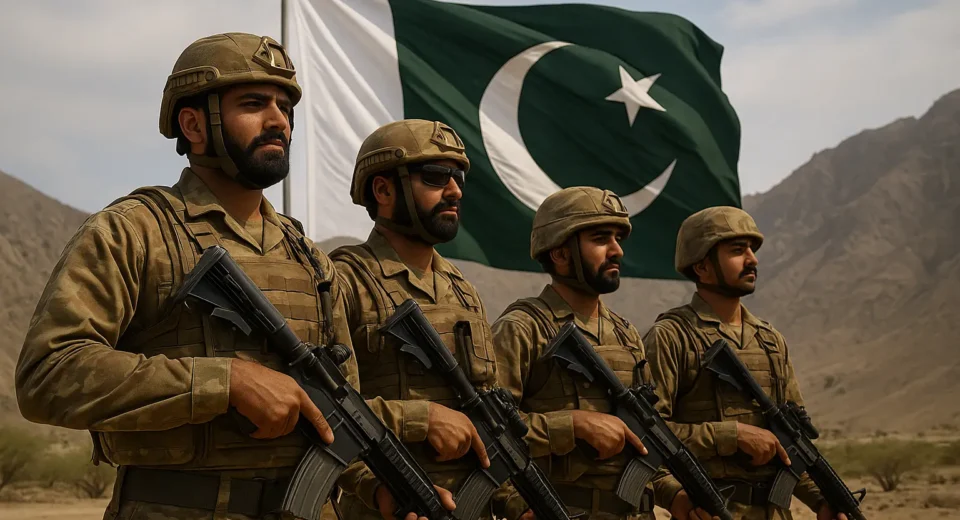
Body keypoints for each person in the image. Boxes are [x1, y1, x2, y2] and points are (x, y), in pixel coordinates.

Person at [15, 33, 451, 520]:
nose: (278, 121)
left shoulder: (310, 259)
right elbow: (48, 375)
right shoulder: (133, 231)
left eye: (285, 107)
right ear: (194, 124)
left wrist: (376, 487)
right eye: (253, 103)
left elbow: (336, 412)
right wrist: (225, 383)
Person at [492, 187, 712, 520]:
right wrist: (572, 426)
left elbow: (644, 446)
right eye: (600, 239)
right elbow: (491, 434)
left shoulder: (626, 335)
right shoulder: (522, 329)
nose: (617, 251)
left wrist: (675, 496)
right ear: (560, 254)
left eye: (618, 238)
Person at [330, 119, 499, 520]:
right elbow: (328, 409)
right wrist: (379, 488)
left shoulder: (463, 291)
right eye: (436, 177)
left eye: (457, 178)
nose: (455, 190)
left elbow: (493, 420)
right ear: (384, 190)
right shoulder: (346, 280)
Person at [643, 206, 847, 520]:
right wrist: (729, 438)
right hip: (709, 510)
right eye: (738, 251)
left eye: (752, 250)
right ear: (702, 266)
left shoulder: (770, 341)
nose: (752, 260)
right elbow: (647, 435)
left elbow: (793, 444)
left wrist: (823, 501)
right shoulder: (672, 337)